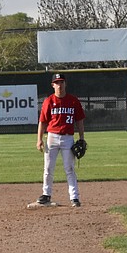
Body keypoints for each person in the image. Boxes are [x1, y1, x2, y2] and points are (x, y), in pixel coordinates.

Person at [30, 72, 86, 209]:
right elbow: (42, 122)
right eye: (57, 82)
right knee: (48, 168)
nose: (59, 85)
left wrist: (82, 138)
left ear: (65, 84)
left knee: (70, 168)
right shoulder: (49, 101)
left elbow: (79, 121)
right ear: (52, 85)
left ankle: (74, 197)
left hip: (68, 138)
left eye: (61, 82)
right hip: (52, 137)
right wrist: (39, 140)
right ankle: (46, 194)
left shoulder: (73, 101)